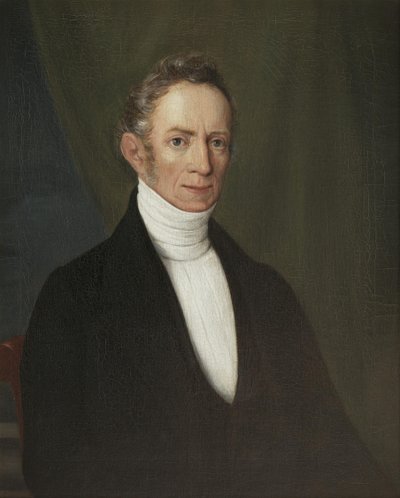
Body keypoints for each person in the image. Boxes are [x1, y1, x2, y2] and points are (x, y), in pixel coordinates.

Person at [21, 53, 394, 497]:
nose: (203, 164)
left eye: (217, 142)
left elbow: (334, 448)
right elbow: (56, 471)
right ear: (136, 153)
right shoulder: (74, 295)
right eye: (179, 141)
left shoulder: (268, 293)